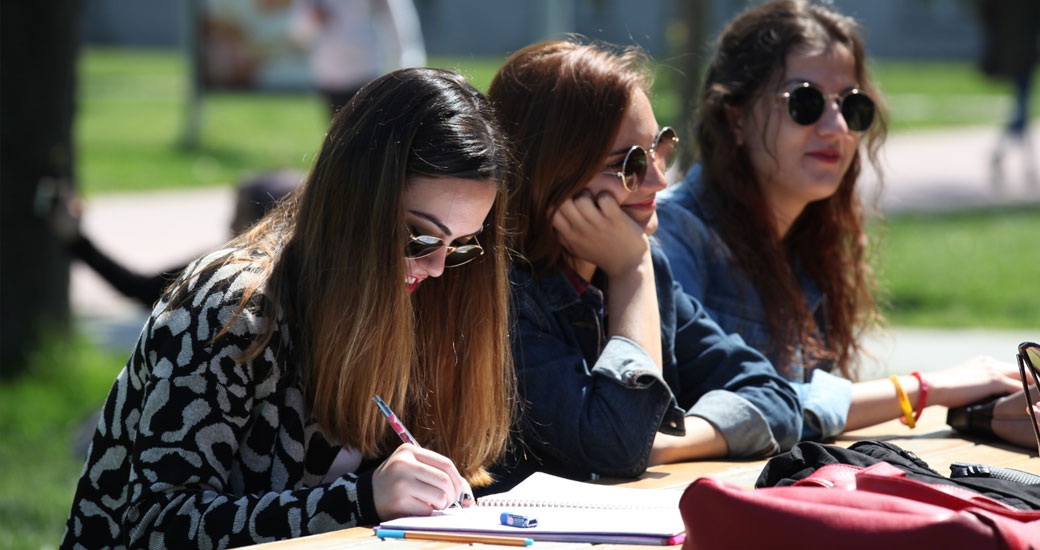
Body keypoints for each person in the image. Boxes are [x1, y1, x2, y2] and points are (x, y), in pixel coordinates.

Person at [61, 67, 514, 548]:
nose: (439, 267)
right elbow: (158, 524)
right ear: (354, 197)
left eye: (461, 245)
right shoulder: (230, 306)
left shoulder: (423, 297)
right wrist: (361, 500)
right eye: (418, 236)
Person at [654, 0, 1025, 444]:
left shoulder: (807, 241)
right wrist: (926, 388)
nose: (837, 128)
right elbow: (704, 414)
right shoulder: (672, 237)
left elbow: (803, 416)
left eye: (852, 107)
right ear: (736, 118)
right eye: (806, 102)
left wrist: (985, 412)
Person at [483, 39, 802, 490]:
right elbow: (616, 445)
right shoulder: (505, 300)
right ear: (549, 176)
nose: (658, 178)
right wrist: (630, 273)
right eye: (629, 163)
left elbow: (776, 397)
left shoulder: (647, 266)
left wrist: (668, 441)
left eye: (661, 146)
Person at [42, 168, 303, 308]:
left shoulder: (220, 276)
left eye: (238, 214)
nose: (228, 224)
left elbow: (142, 290)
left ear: (266, 224)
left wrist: (76, 241)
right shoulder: (318, 281)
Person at [290, 0, 427, 116]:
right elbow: (298, 33)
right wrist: (312, 20)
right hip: (331, 73)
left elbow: (399, 22)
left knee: (370, 132)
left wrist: (407, 64)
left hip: (368, 69)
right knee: (340, 136)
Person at [973, 0, 1040, 190]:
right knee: (1021, 108)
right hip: (1022, 55)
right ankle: (1013, 157)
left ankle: (1021, 160)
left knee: (1021, 107)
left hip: (1016, 53)